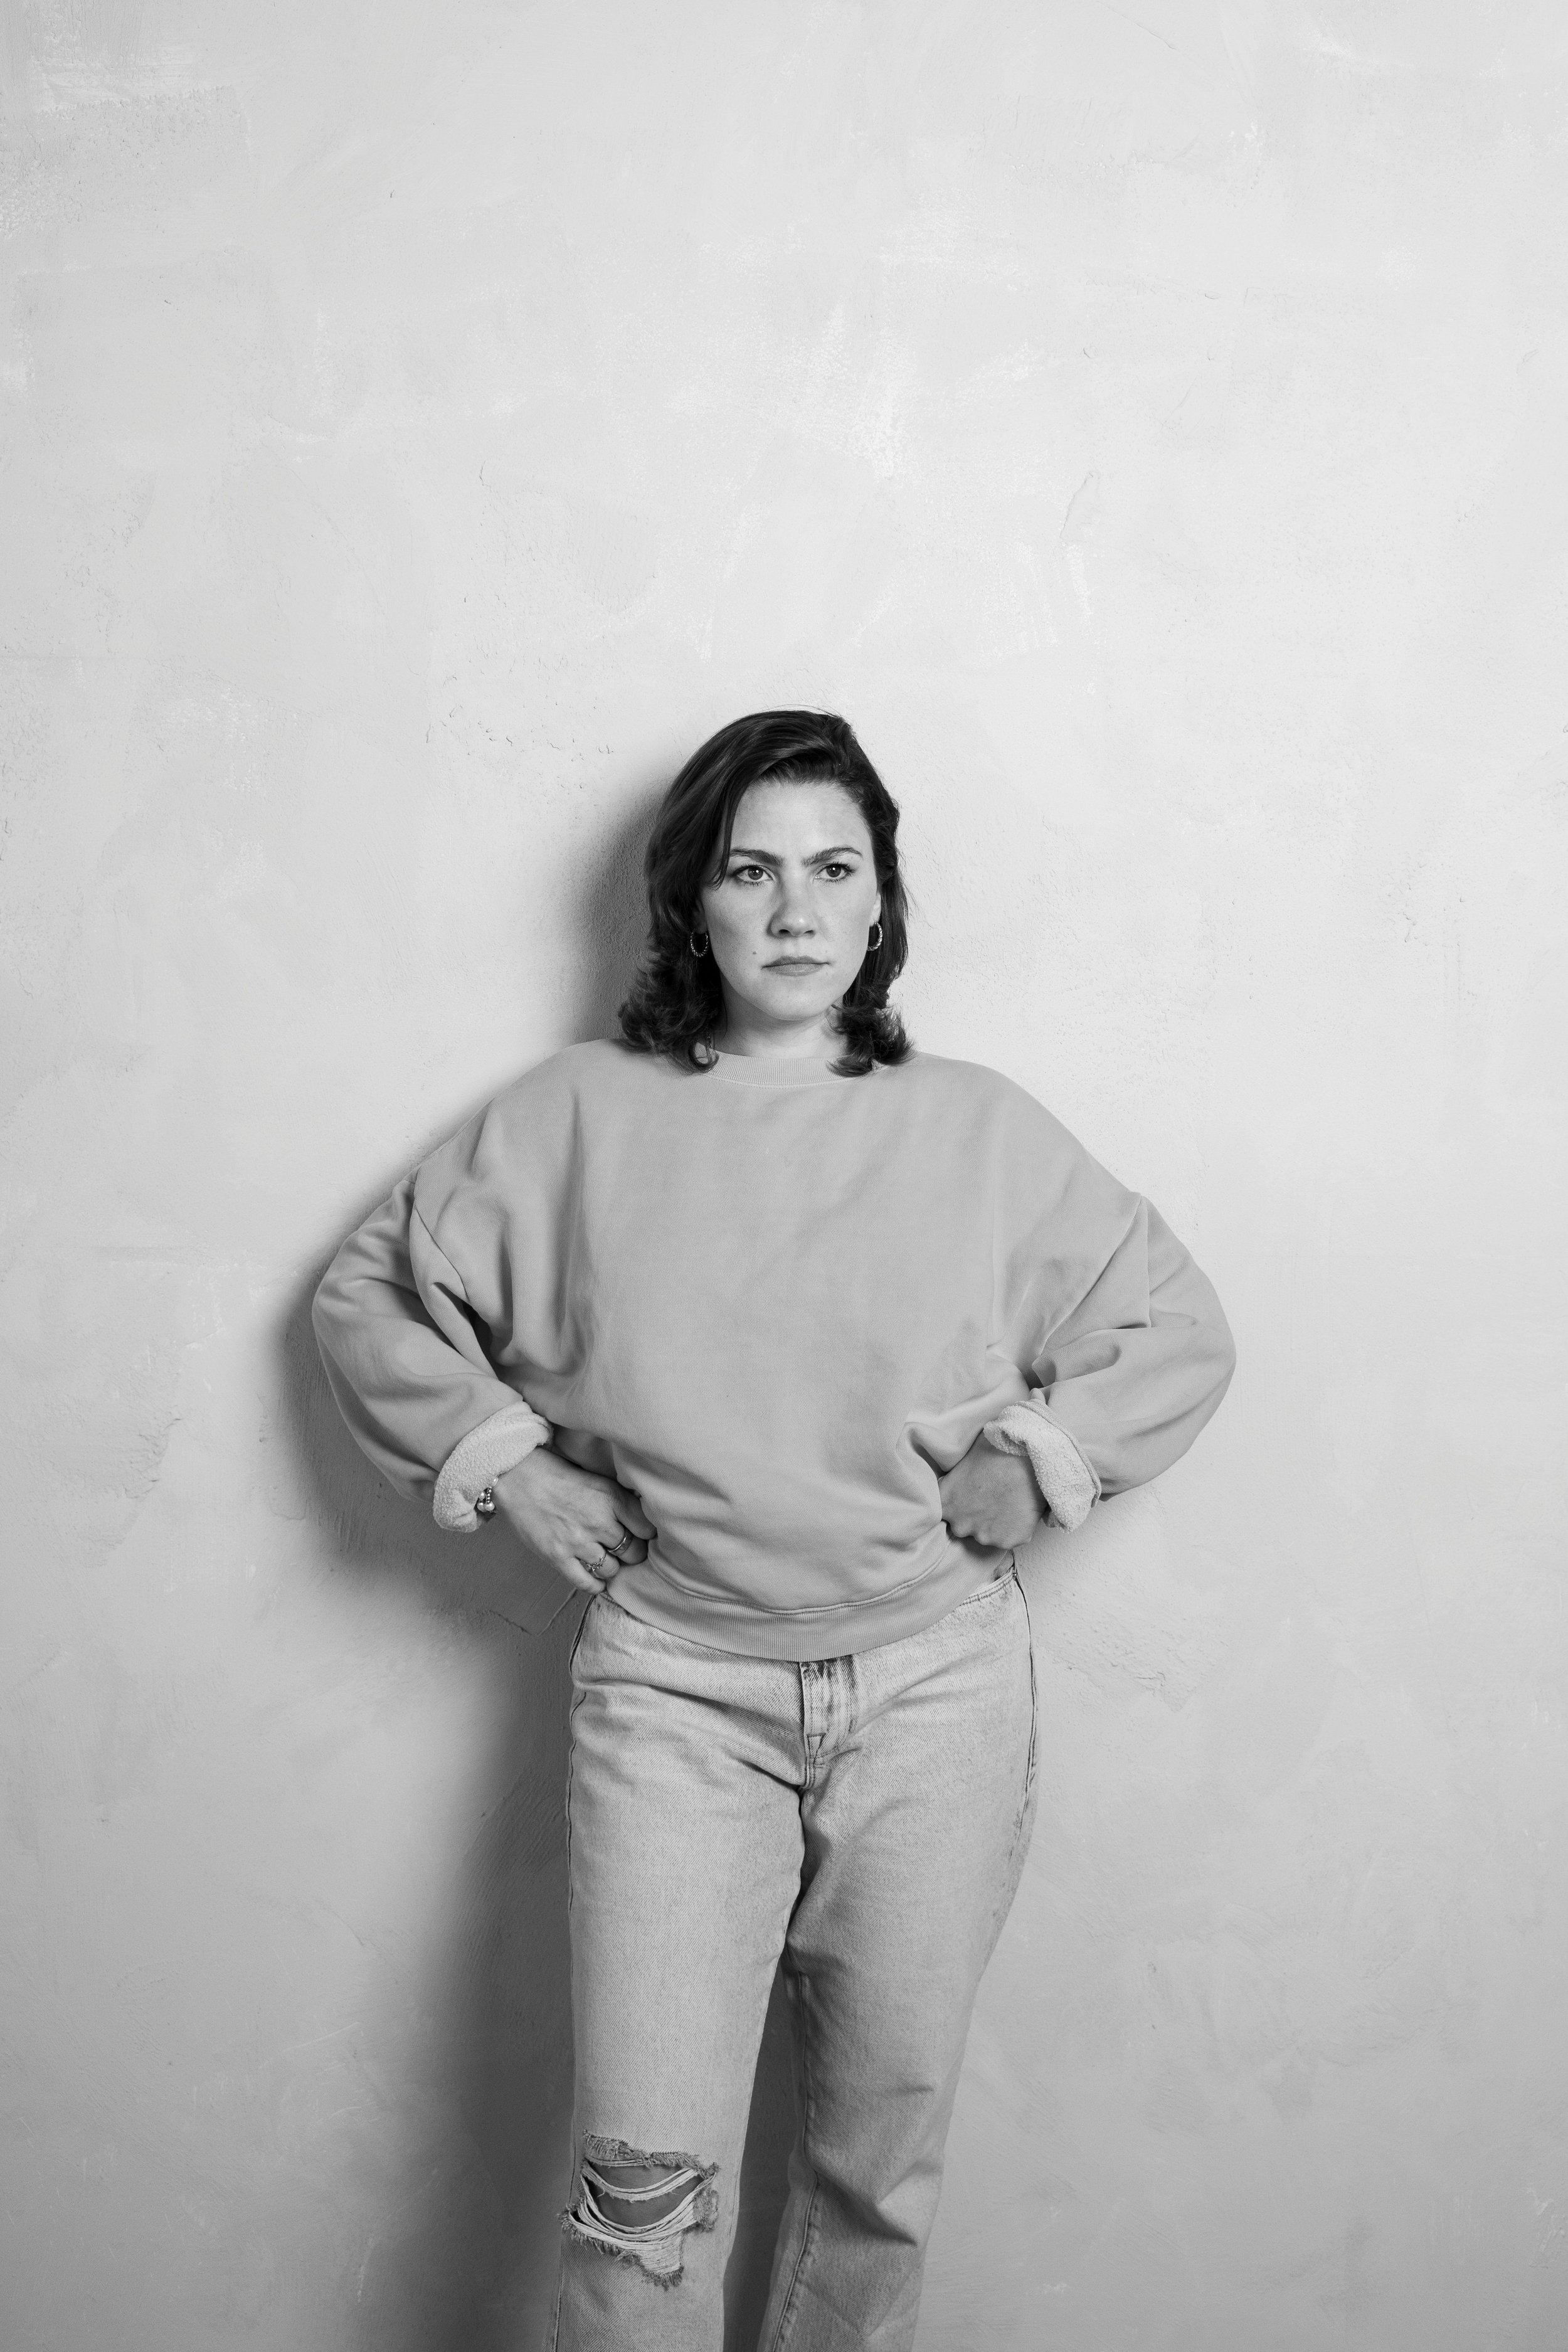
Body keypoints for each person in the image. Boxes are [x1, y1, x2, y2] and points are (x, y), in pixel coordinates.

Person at [313, 709, 1235, 2352]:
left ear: (880, 905)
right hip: (678, 1701)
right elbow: (374, 1292)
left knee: (877, 2171)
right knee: (641, 2185)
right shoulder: (574, 1120)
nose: (796, 911)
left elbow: (1168, 1325)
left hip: (939, 1697)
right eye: (752, 871)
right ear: (695, 904)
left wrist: (1043, 1457)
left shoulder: (980, 1129)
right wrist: (505, 1460)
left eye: (834, 868)